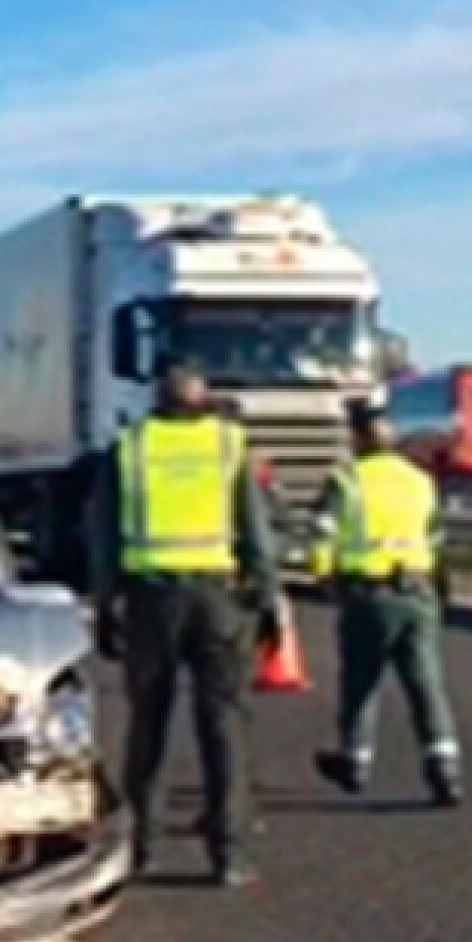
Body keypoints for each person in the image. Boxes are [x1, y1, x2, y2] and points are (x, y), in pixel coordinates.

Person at [90, 358, 283, 887]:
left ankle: (141, 847)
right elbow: (255, 531)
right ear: (203, 401)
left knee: (147, 725)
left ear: (156, 399)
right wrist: (268, 596)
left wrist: (105, 603)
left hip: (151, 601)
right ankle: (229, 854)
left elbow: (103, 537)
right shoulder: (228, 446)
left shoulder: (129, 449)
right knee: (223, 724)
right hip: (217, 599)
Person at [311, 399, 464, 807]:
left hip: (368, 594)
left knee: (361, 683)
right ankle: (444, 769)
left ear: (358, 439)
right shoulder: (419, 481)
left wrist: (324, 576)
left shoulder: (346, 480)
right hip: (417, 591)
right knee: (426, 685)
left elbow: (322, 535)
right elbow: (436, 540)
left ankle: (355, 761)